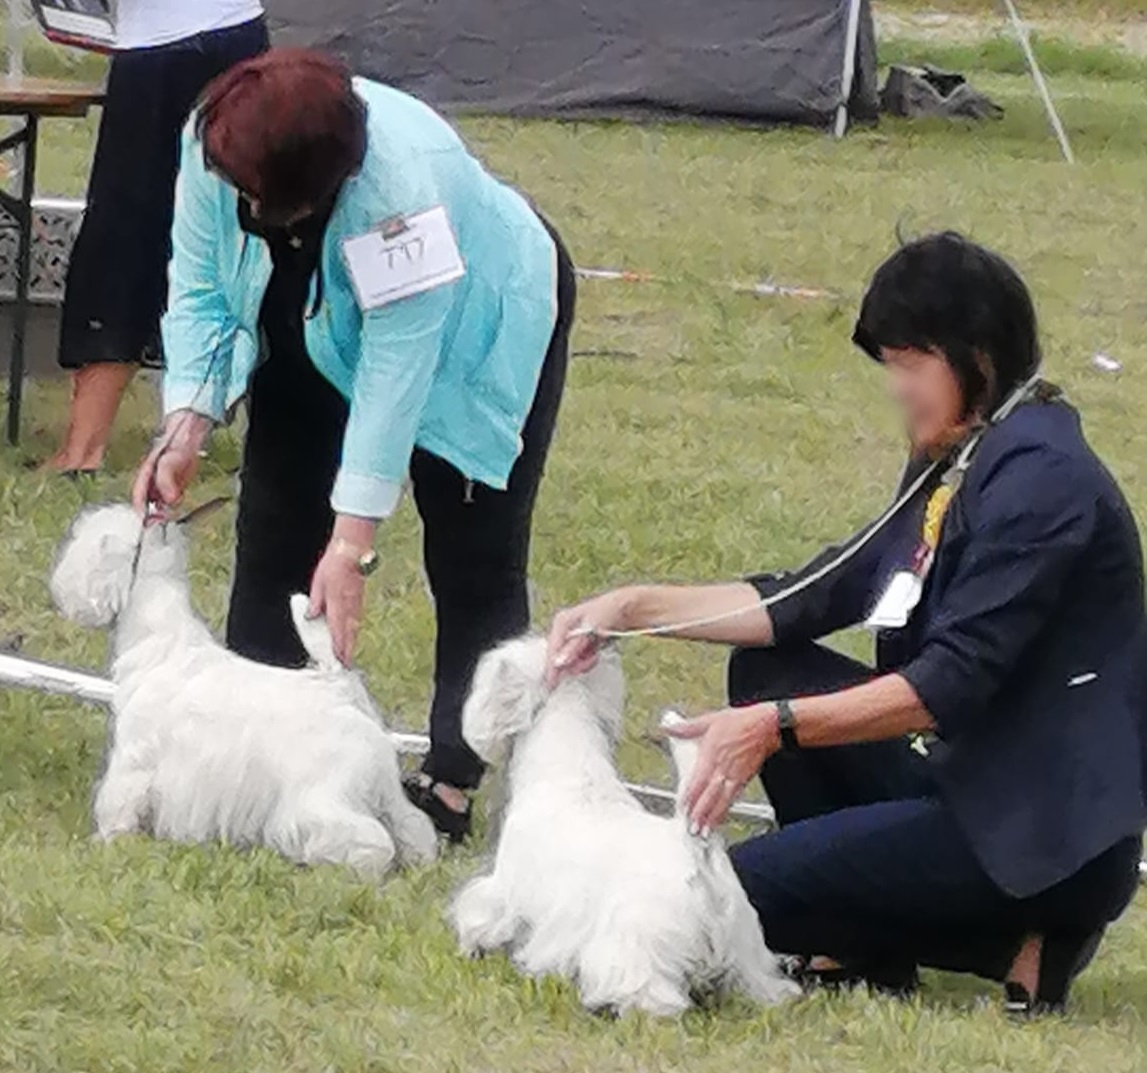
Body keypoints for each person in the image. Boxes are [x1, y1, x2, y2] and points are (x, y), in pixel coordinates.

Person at [547, 233, 1146, 1014]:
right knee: (766, 668)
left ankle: (1022, 936)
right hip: (969, 780)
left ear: (975, 357)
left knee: (728, 896)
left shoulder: (1043, 481)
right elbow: (822, 590)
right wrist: (633, 609)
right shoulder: (970, 450)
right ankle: (870, 940)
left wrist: (771, 727)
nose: (895, 387)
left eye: (908, 364)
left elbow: (944, 685)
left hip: (1031, 831)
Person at [131, 49, 576, 843]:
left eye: (253, 199)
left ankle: (449, 778)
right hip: (303, 315)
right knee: (272, 521)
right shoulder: (218, 145)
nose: (232, 201)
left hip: (474, 327)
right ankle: (259, 745)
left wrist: (353, 540)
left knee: (474, 554)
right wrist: (184, 423)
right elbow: (197, 286)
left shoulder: (400, 194)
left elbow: (396, 367)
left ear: (315, 192)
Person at [46, 0, 269, 475]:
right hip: (216, 37)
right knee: (246, 236)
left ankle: (84, 450)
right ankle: (89, 447)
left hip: (166, 48)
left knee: (126, 243)